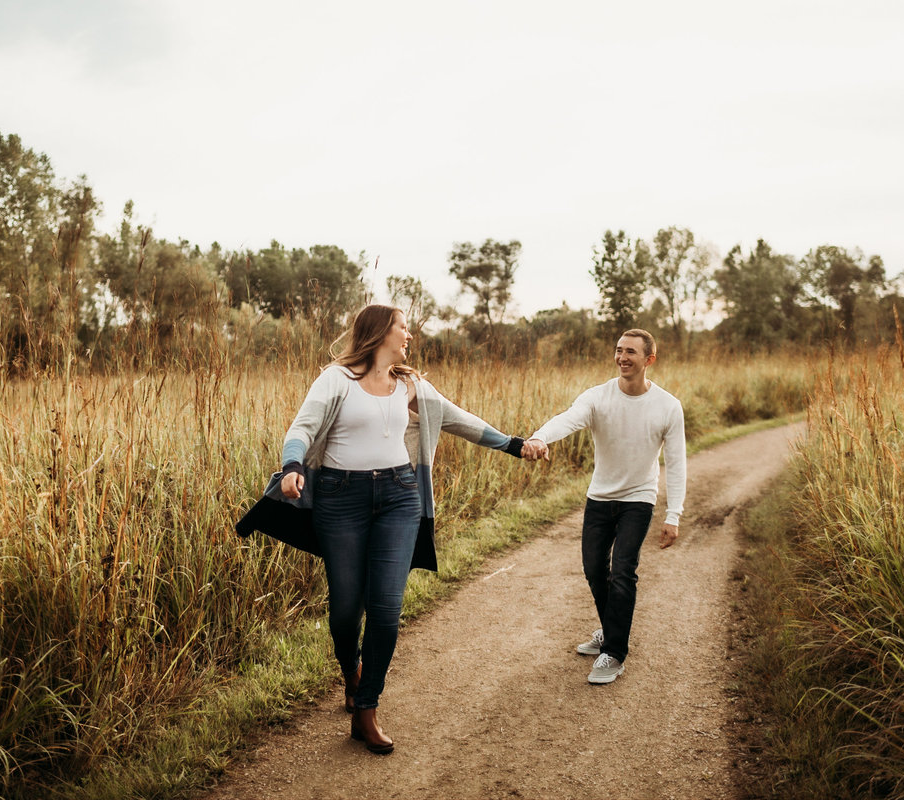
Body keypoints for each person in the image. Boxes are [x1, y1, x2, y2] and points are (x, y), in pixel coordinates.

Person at [236, 304, 537, 754]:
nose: (409, 333)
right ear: (379, 332)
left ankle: (366, 709)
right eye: (403, 326)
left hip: (399, 497)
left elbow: (461, 420)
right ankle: (351, 669)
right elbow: (301, 427)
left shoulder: (410, 386)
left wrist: (515, 444)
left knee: (385, 611)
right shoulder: (337, 380)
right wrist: (292, 466)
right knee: (344, 612)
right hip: (341, 500)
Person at [523, 328, 686, 685]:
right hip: (600, 497)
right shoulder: (597, 398)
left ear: (649, 360)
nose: (622, 357)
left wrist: (673, 515)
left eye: (631, 352)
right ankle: (610, 631)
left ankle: (614, 652)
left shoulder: (668, 407)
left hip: (638, 499)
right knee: (595, 569)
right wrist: (539, 436)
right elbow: (568, 418)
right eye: (618, 350)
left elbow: (676, 464)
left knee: (623, 571)